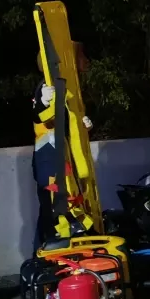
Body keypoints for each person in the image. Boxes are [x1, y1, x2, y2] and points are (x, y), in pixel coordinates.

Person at [32, 44, 93, 250]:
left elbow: (66, 122)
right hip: (50, 159)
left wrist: (82, 124)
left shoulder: (68, 88)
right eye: (82, 56)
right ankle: (46, 254)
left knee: (64, 206)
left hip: (62, 158)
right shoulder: (48, 86)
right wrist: (42, 102)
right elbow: (39, 116)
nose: (86, 61)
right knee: (53, 211)